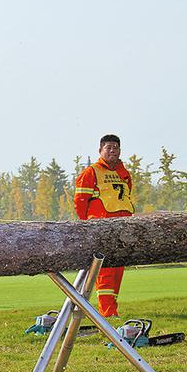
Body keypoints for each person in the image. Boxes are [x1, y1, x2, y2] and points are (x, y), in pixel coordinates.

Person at [74, 134, 134, 317]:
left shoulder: (123, 173)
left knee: (118, 269)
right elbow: (80, 201)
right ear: (100, 150)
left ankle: (112, 310)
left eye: (116, 147)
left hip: (123, 227)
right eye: (108, 147)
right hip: (102, 227)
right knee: (105, 271)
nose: (112, 150)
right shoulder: (91, 172)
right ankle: (107, 313)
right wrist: (88, 226)